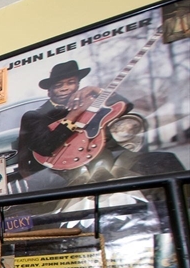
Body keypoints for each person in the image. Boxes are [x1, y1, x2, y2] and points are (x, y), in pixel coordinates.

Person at [15, 60, 183, 187]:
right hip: (62, 171)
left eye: (71, 82)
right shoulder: (35, 116)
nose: (65, 88)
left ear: (78, 85)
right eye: (59, 85)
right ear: (49, 90)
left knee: (165, 161)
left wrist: (97, 91)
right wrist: (75, 114)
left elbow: (123, 108)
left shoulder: (90, 103)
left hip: (104, 158)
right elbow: (45, 146)